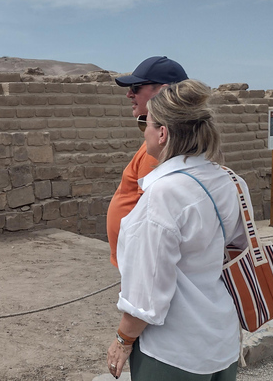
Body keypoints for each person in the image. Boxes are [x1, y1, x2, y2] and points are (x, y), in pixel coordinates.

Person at [106, 79, 245, 380]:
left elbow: (147, 291)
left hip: (173, 352)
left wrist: (122, 340)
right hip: (221, 338)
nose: (144, 130)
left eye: (147, 123)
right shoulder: (231, 181)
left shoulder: (164, 195)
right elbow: (236, 252)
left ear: (163, 133)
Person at [106, 56, 188, 267]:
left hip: (143, 264)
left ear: (162, 91)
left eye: (135, 87)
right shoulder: (167, 140)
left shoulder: (161, 145)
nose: (129, 94)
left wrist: (139, 273)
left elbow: (151, 217)